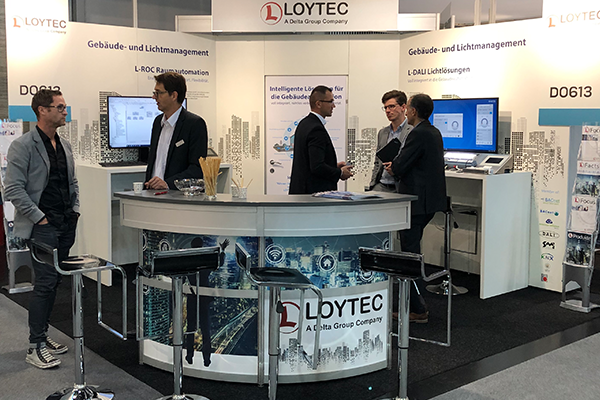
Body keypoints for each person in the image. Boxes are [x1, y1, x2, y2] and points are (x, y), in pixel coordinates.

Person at [4, 89, 79, 368]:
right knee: (45, 284)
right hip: (42, 227)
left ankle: (44, 336)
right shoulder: (23, 145)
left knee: (55, 282)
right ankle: (34, 346)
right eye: (59, 107)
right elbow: (13, 189)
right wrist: (40, 218)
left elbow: (72, 182)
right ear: (42, 110)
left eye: (64, 106)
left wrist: (75, 210)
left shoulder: (65, 145)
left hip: (66, 222)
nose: (64, 111)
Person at [384, 93, 447, 323]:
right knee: (413, 252)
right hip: (428, 203)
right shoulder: (434, 131)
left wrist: (393, 167)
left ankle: (417, 309)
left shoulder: (417, 133)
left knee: (409, 256)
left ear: (413, 111)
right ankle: (414, 305)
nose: (405, 110)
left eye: (407, 107)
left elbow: (401, 165)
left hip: (416, 203)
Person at [145, 72, 208, 190]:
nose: (154, 97)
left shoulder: (194, 124)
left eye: (159, 93)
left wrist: (168, 184)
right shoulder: (158, 122)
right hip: (153, 194)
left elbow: (197, 169)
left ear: (174, 95)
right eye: (155, 93)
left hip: (178, 195)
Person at [289, 85, 353, 194]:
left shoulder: (304, 123)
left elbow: (310, 161)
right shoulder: (316, 129)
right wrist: (340, 173)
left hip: (302, 191)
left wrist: (333, 166)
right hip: (314, 195)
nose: (334, 106)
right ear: (318, 104)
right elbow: (317, 167)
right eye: (331, 101)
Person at [368, 90, 413, 192]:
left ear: (403, 107)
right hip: (381, 185)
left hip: (402, 186)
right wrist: (372, 184)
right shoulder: (382, 133)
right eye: (385, 108)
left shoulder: (412, 131)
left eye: (391, 106)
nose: (388, 111)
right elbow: (377, 162)